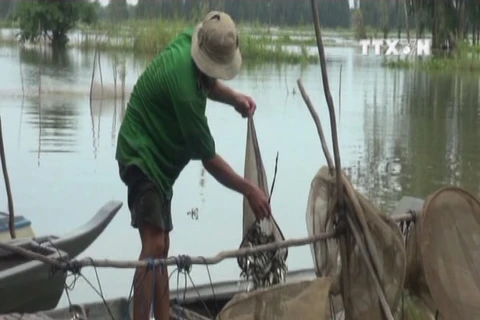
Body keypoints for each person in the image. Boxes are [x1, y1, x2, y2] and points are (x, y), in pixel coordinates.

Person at [115, 11, 272, 320]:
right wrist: (249, 189)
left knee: (163, 247)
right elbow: (209, 160)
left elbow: (207, 81)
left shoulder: (193, 39)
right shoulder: (185, 94)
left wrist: (234, 99)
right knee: (153, 245)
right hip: (140, 154)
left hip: (161, 167)